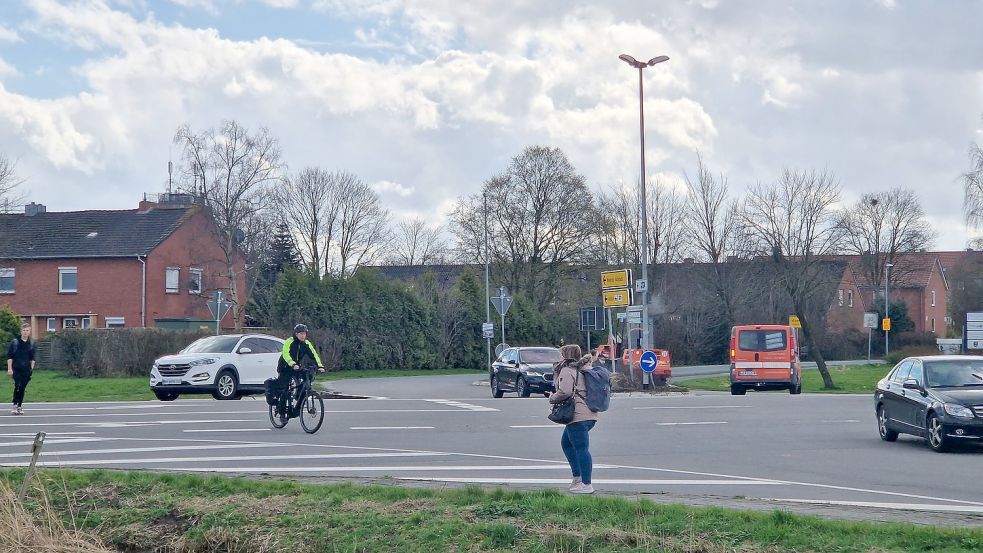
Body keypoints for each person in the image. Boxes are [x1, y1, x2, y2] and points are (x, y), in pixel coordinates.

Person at [549, 343, 603, 494]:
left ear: (566, 356)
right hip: (590, 414)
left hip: (577, 415)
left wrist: (552, 398)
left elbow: (564, 391)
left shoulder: (567, 370)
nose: (559, 357)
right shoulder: (583, 368)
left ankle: (586, 484)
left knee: (581, 449)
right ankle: (578, 478)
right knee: (566, 443)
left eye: (561, 354)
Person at [275, 324, 325, 415]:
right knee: (284, 390)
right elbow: (285, 354)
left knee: (307, 377)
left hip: (297, 367)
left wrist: (319, 366)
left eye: (304, 334)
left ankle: (299, 398)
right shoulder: (289, 341)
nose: (303, 336)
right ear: (296, 334)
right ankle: (282, 413)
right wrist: (292, 364)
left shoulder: (306, 343)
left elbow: (313, 354)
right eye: (301, 334)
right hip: (285, 367)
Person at [7, 323, 36, 415]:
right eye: (24, 330)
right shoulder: (15, 342)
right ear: (21, 331)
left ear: (29, 331)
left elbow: (32, 358)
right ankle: (15, 405)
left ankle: (19, 406)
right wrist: (9, 369)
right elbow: (10, 356)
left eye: (27, 330)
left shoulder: (31, 343)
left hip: (26, 369)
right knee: (18, 386)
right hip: (16, 368)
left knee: (23, 387)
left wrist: (31, 369)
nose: (25, 332)